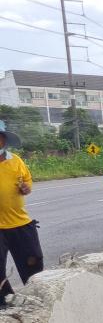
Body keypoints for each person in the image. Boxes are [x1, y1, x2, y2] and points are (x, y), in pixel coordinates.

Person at [0, 121, 40, 303]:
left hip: (20, 223)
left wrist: (25, 187)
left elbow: (27, 182)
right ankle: (5, 303)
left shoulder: (15, 160)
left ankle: (37, 300)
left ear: (4, 140)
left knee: (34, 264)